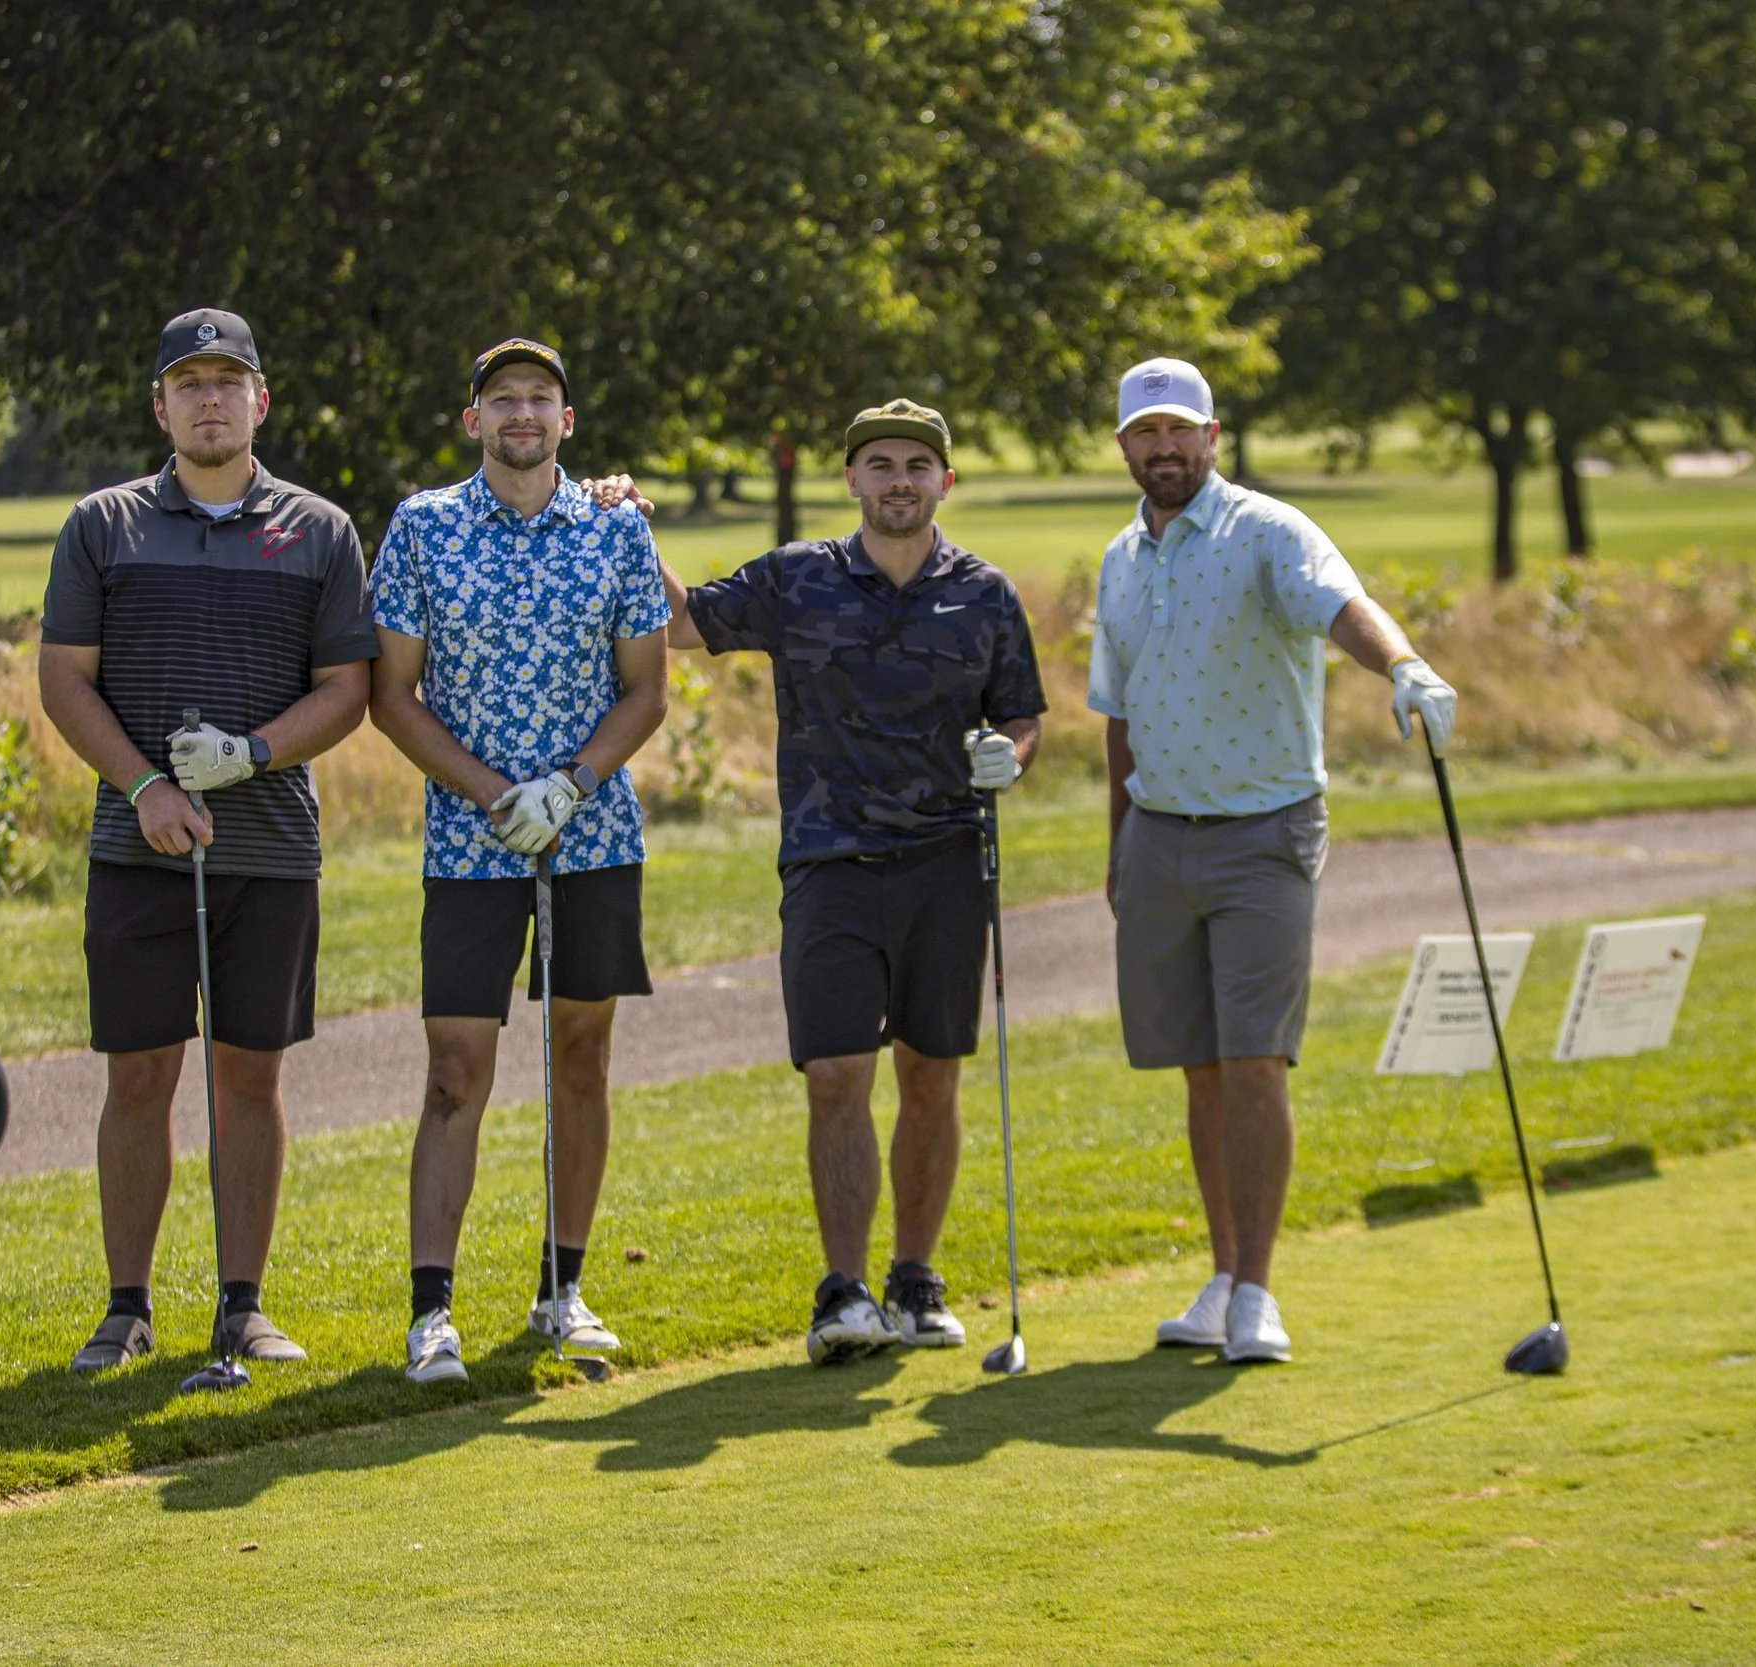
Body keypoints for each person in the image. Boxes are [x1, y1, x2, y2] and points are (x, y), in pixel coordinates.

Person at [662, 399, 1047, 1366]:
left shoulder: (985, 593)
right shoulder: (798, 578)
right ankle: (844, 1289)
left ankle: (914, 1279)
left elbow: (1022, 715)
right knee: (836, 1073)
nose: (899, 480)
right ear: (851, 479)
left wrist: (1011, 755)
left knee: (931, 1074)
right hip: (828, 861)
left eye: (917, 465)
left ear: (944, 481)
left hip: (947, 862)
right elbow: (680, 623)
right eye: (881, 464)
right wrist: (628, 527)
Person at [1090, 357, 1456, 1365]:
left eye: (1182, 429)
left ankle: (1257, 1290)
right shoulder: (1120, 558)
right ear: (1123, 446)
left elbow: (1342, 605)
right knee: (1200, 1069)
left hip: (1263, 832)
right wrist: (1117, 842)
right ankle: (1220, 1278)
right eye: (1146, 433)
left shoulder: (1268, 531)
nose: (1165, 447)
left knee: (1255, 1059)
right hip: (1157, 834)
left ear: (1213, 435)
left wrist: (1404, 664)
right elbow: (1119, 711)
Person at [39, 308, 378, 1374]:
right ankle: (126, 1307)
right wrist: (143, 785)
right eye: (189, 383)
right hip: (137, 849)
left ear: (260, 400)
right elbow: (64, 679)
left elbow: (348, 688)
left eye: (228, 380)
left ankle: (242, 1307)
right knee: (139, 1077)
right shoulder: (103, 525)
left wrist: (254, 753)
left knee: (248, 1080)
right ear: (162, 407)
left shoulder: (319, 530)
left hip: (269, 851)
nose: (210, 399)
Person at [369, 337, 669, 1386]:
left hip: (595, 837)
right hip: (470, 843)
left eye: (540, 397)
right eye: (503, 398)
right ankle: (431, 1312)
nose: (522, 413)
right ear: (474, 420)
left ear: (566, 420)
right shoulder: (422, 527)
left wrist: (570, 786)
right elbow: (391, 696)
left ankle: (561, 1289)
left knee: (581, 1058)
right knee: (455, 1071)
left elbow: (647, 689)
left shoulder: (617, 529)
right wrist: (498, 793)